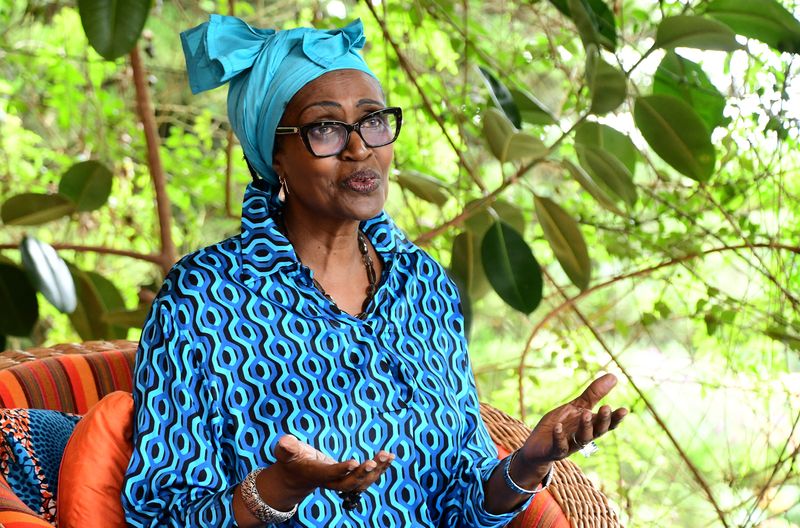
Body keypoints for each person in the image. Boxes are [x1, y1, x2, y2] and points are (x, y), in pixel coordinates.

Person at [121, 14, 627, 528]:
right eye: (324, 128)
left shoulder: (424, 289)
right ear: (273, 154)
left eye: (373, 120)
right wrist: (284, 485)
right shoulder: (202, 299)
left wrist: (526, 463)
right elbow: (162, 515)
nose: (360, 146)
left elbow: (460, 504)